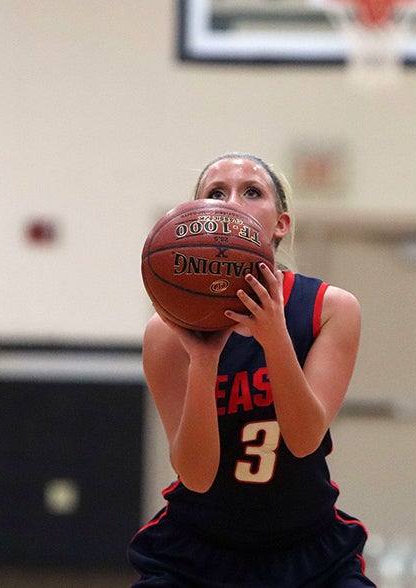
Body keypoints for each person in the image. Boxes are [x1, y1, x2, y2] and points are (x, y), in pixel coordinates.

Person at [128, 153, 376, 587]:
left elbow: (303, 439)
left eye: (252, 192)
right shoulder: (165, 333)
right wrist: (204, 360)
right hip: (196, 551)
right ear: (194, 216)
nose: (232, 203)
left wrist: (274, 335)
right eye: (216, 193)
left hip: (308, 550)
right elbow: (197, 475)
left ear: (281, 223)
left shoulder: (330, 309)